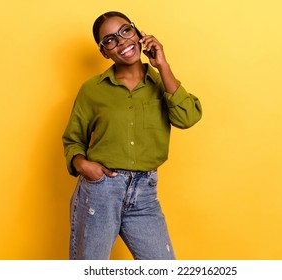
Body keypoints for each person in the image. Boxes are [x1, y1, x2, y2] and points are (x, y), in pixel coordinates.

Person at [62, 11, 202, 260]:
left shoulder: (163, 84)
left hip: (145, 194)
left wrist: (163, 65)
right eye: (110, 40)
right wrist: (83, 165)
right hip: (100, 193)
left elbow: (187, 118)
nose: (122, 41)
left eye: (126, 31)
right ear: (104, 52)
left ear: (138, 33)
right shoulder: (92, 90)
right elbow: (73, 139)